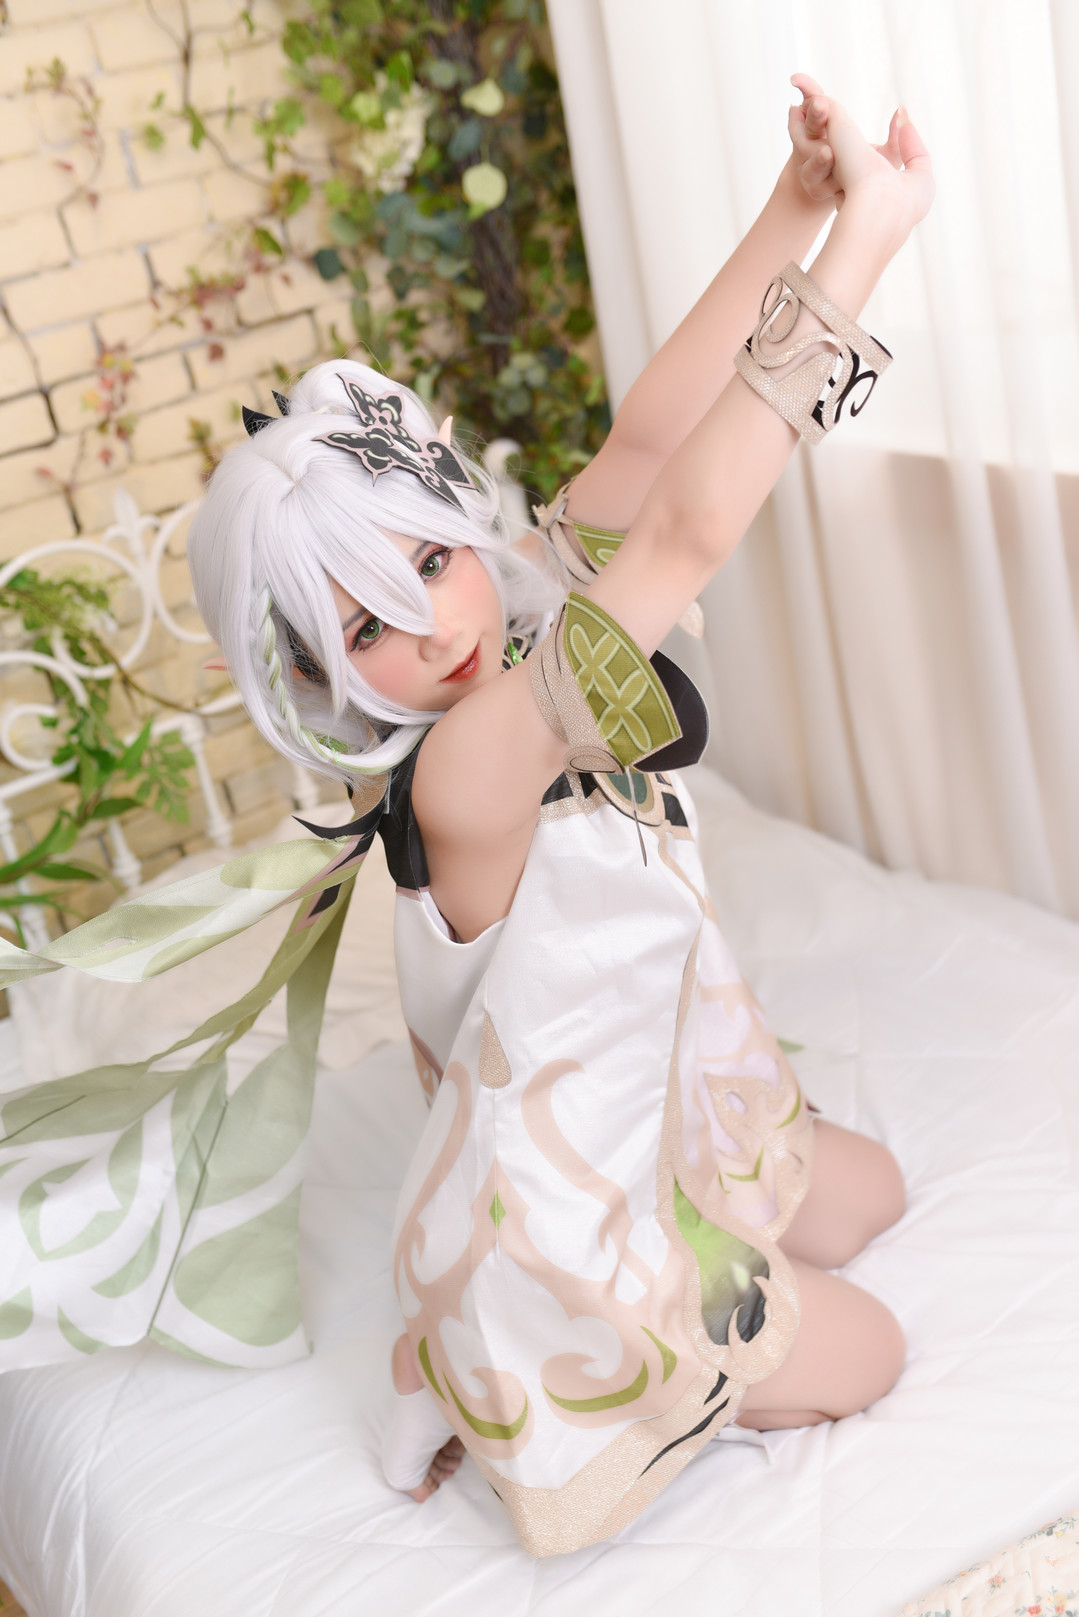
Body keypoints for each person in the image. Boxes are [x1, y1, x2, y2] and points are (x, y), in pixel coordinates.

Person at [0, 77, 933, 1559]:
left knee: (869, 1192)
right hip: (574, 1214)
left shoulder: (521, 615)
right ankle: (577, 1379)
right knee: (871, 1353)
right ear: (315, 680)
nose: (436, 627)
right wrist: (865, 248)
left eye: (434, 559)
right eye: (366, 628)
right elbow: (687, 529)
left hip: (679, 1081)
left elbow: (653, 437)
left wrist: (796, 206)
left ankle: (696, 1222)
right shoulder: (462, 771)